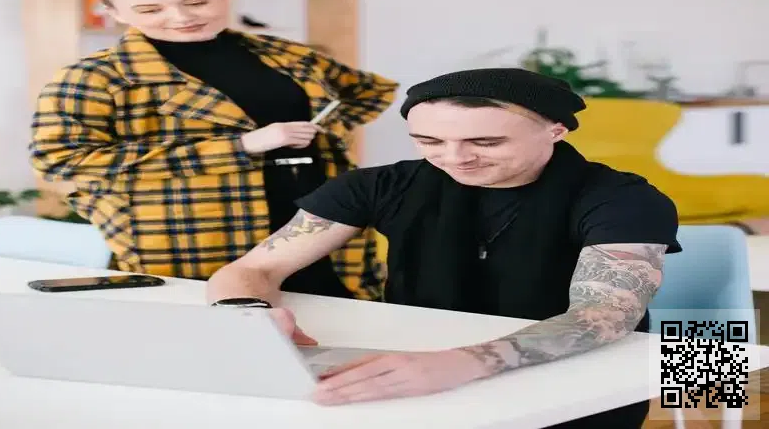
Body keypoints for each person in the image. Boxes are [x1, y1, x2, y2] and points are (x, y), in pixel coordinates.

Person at [206, 67, 682, 428]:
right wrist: (248, 317)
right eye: (428, 140)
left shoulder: (623, 198)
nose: (455, 158)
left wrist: (466, 362)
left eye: (485, 141)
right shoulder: (381, 185)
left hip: (578, 375)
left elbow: (603, 317)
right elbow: (253, 270)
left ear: (555, 131)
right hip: (419, 361)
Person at [28, 0, 399, 301]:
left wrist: (324, 133)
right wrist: (239, 147)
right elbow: (59, 160)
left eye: (196, 2)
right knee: (218, 322)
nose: (181, 17)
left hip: (317, 217)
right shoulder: (96, 77)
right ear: (114, 13)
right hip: (190, 230)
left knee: (338, 317)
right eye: (151, 10)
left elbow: (369, 90)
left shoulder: (282, 53)